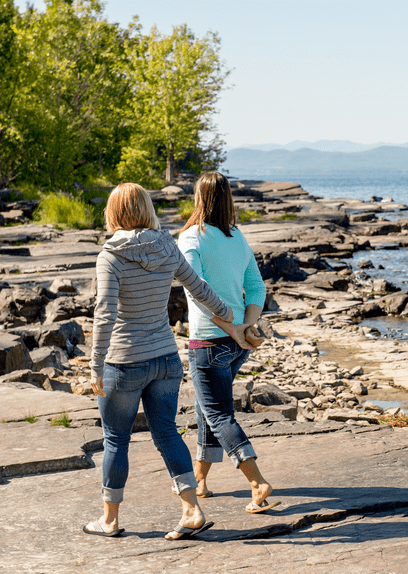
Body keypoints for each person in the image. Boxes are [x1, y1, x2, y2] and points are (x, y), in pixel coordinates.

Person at [84, 182, 248, 540]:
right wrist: (232, 323)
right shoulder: (168, 246)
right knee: (167, 433)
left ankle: (109, 521)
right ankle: (191, 509)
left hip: (124, 362)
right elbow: (201, 289)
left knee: (116, 440)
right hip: (165, 360)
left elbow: (105, 313)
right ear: (146, 208)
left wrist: (95, 365)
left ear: (114, 213)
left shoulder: (110, 255)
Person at [177, 171, 280, 513]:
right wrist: (246, 326)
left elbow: (195, 286)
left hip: (208, 343)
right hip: (236, 345)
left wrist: (233, 325)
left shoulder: (190, 238)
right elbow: (256, 287)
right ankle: (201, 479)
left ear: (199, 198)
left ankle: (257, 482)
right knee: (208, 408)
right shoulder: (236, 236)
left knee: (219, 414)